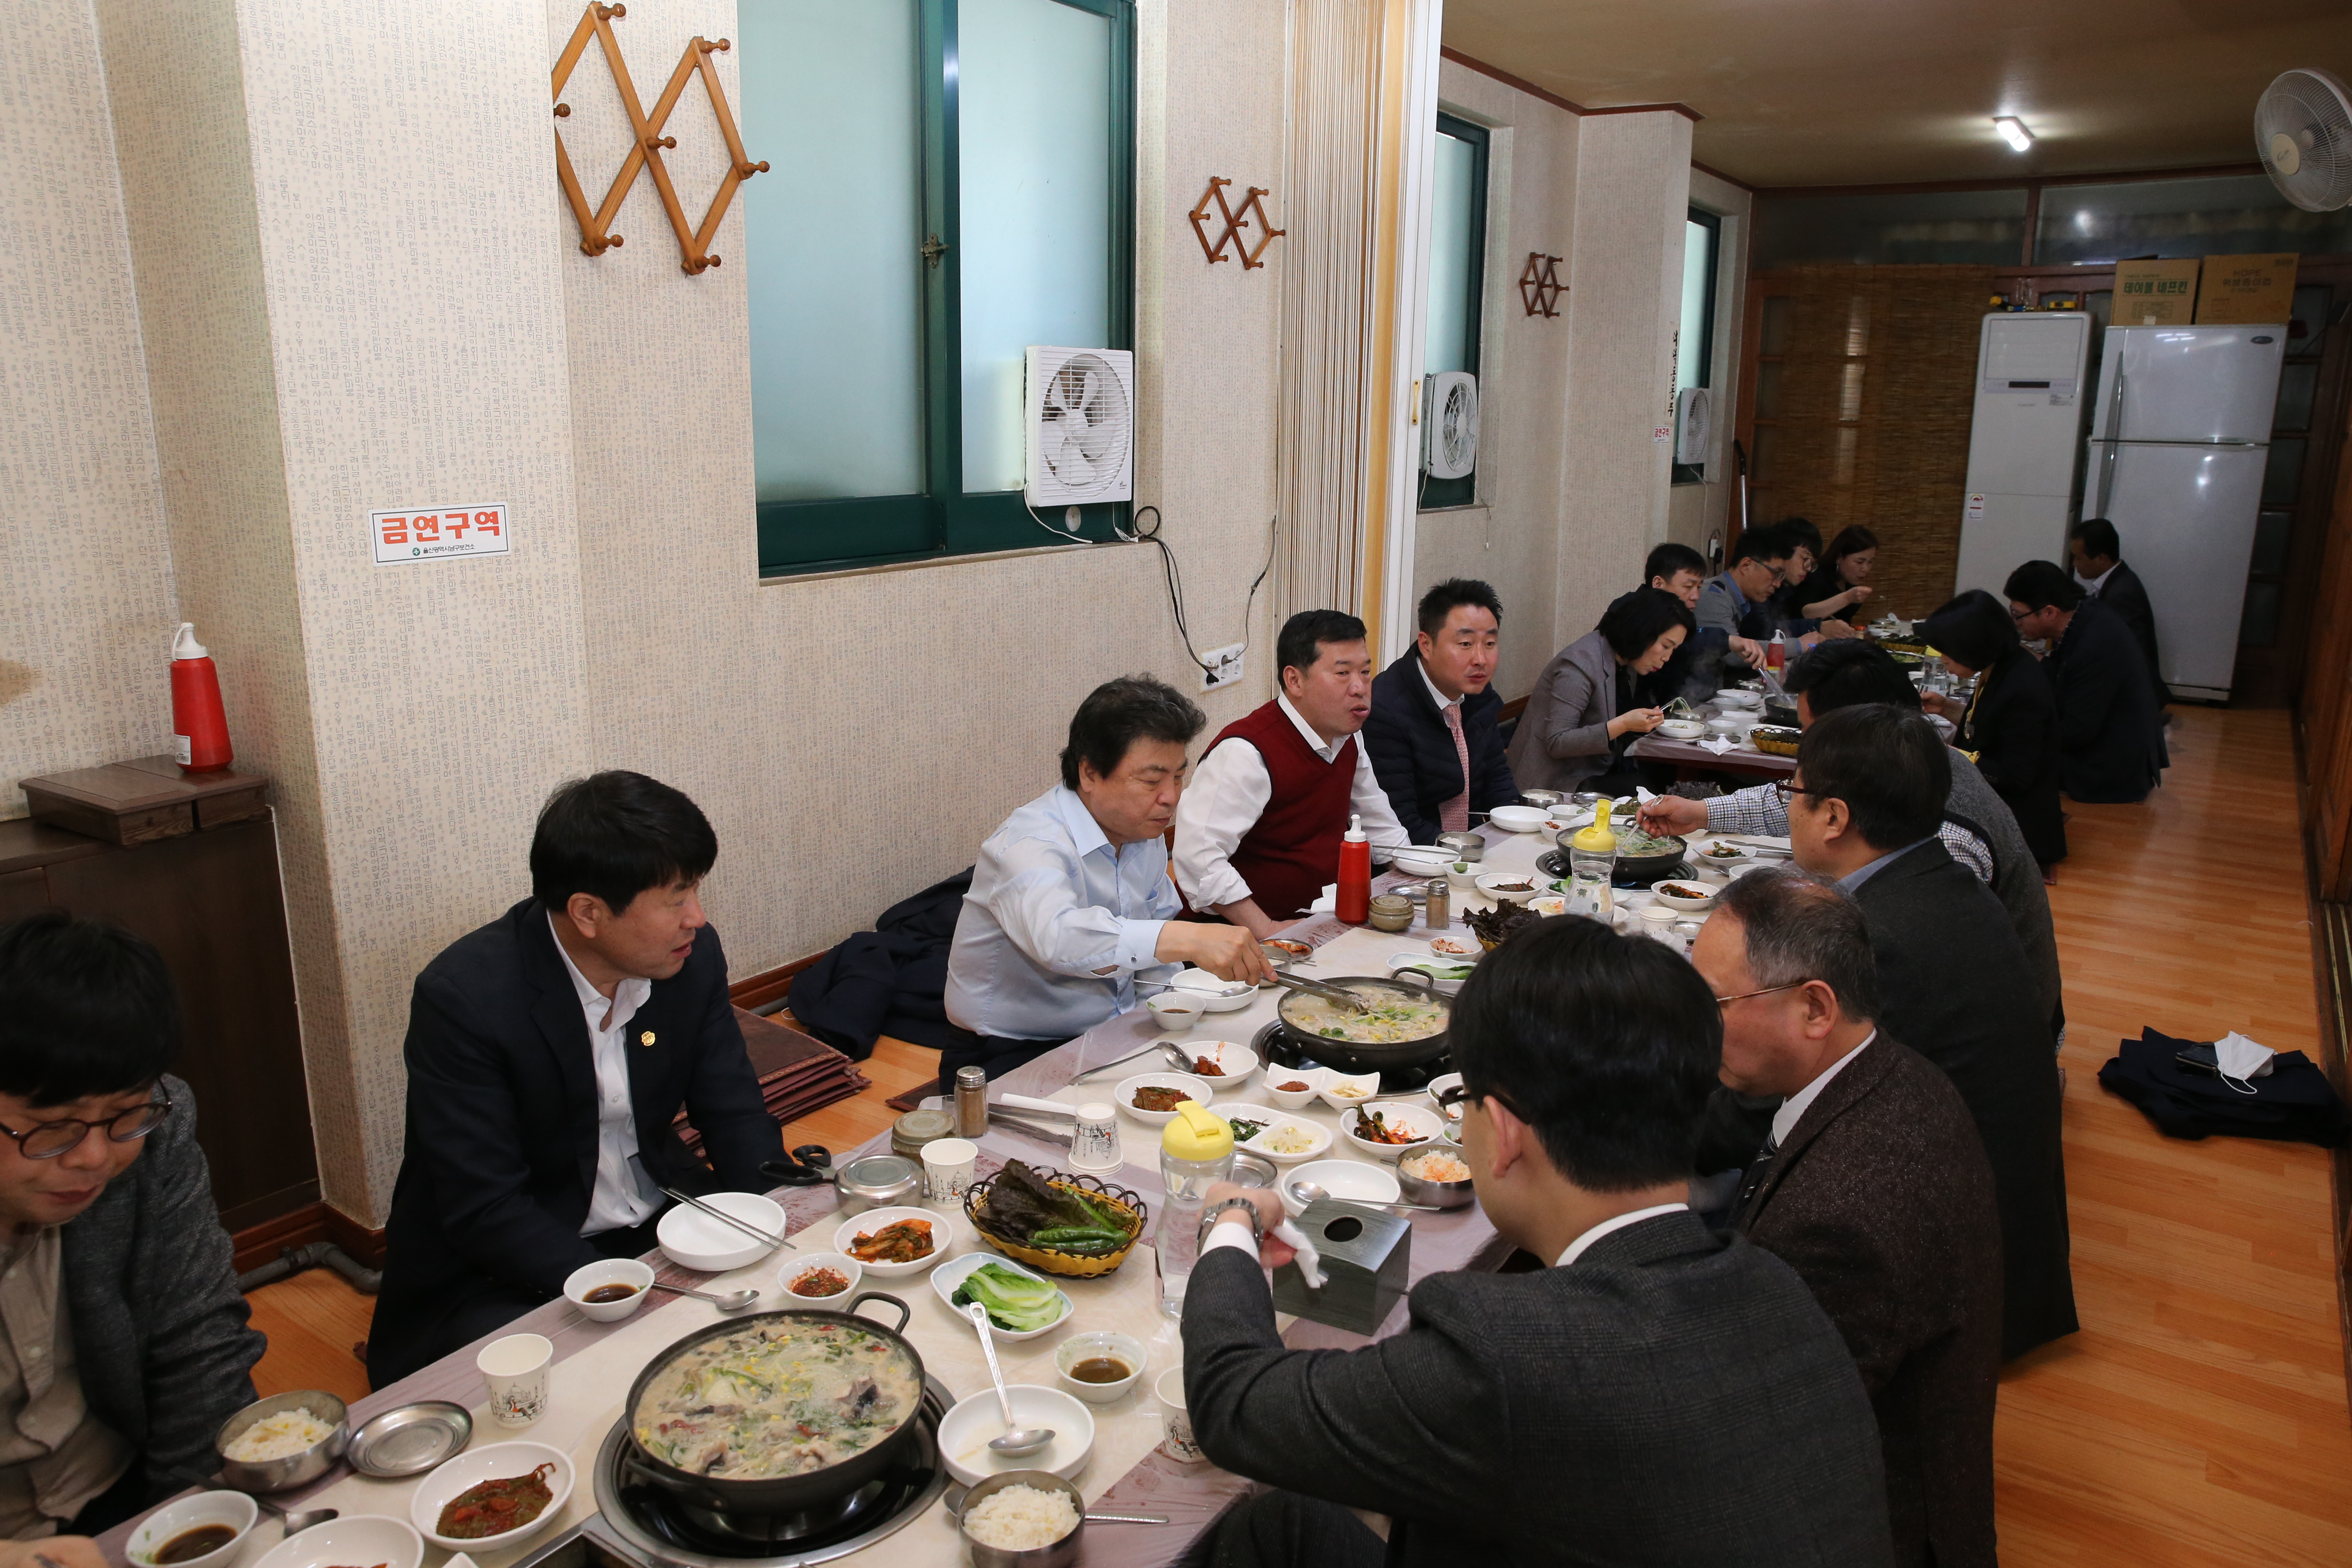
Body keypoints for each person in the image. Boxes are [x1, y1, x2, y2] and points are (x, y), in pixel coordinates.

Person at [1180, 917, 1896, 1568]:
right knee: (1278, 1527)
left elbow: (1235, 1406)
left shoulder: (1510, 1355)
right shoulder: (1781, 1288)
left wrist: (1232, 1218)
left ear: (1507, 1131)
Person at [370, 772, 785, 1387]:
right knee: (595, 1388)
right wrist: (625, 1294)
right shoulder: (465, 998)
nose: (696, 917)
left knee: (776, 1328)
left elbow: (732, 1111)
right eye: (675, 898)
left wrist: (778, 1219)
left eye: (695, 890)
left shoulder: (688, 959)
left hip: (658, 1218)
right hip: (506, 1265)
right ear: (589, 913)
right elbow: (486, 1206)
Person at [1695, 869, 2002, 1568]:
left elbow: (1754, 1436)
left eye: (1715, 1002)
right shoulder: (1899, 1076)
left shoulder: (1840, 1220)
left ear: (1814, 1009)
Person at [1785, 706, 2077, 1358]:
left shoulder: (1883, 936)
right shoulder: (1938, 881)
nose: (1788, 807)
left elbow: (1803, 1087)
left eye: (1793, 792)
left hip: (1959, 1272)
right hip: (2001, 1215)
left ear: (1834, 817)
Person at [1639, 639, 2063, 1035]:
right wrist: (1702, 811)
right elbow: (1799, 799)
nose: (1808, 745)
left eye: (1814, 733)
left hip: (1975, 1040)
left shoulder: (1945, 837)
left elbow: (1902, 979)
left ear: (1861, 726)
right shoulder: (1918, 761)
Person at [0, 914, 265, 1539]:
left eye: (122, 1115)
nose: (94, 1157)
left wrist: (190, 1531)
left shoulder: (156, 1132)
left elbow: (199, 1344)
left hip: (126, 1495)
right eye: (53, 1125)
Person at [943, 677, 1272, 1077]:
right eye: (1152, 781)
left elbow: (1154, 943)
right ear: (1090, 773)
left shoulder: (1141, 830)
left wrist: (1172, 1013)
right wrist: (1189, 938)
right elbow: (1059, 938)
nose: (1171, 797)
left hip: (1116, 1030)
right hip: (1011, 1051)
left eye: (1178, 777)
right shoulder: (1029, 843)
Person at [1173, 611, 1411, 937]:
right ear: (1294, 680)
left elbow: (1380, 824)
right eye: (1343, 673)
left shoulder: (1348, 736)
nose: (1360, 688)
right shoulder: (1246, 752)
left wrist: (1419, 887)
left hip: (1324, 922)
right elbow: (1198, 859)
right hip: (1238, 939)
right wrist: (1267, 929)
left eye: (1366, 672)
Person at [1362, 580, 1517, 843]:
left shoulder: (1477, 692)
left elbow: (1498, 779)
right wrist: (1466, 856)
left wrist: (1516, 833)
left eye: (1490, 643)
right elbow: (1399, 822)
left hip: (1474, 844)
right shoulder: (1385, 710)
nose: (1481, 659)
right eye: (1466, 644)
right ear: (1426, 645)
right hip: (1420, 859)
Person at [1920, 589, 2065, 869]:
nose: (1944, 660)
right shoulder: (2003, 666)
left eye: (1948, 652)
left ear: (1972, 646)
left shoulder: (2022, 688)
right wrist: (1946, 707)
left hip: (2019, 824)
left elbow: (2016, 775)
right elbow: (1996, 725)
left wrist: (1951, 755)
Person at [2006, 560, 2166, 804]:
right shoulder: (2087, 614)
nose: (2016, 623)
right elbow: (2062, 673)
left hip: (2110, 767)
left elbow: (2076, 732)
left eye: (2018, 616)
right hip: (2109, 743)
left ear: (2049, 612)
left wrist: (2017, 732)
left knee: (2009, 762)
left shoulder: (2095, 645)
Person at [1506, 588, 1693, 795]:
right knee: (1641, 788)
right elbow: (1557, 742)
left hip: (1591, 771)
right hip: (1553, 782)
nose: (1667, 657)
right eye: (1666, 646)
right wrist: (1623, 724)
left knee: (1658, 778)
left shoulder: (1625, 660)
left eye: (1673, 650)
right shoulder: (1580, 665)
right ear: (1643, 632)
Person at [1636, 543, 1760, 705]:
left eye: (1699, 587)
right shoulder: (1634, 615)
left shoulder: (1680, 617)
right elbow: (1686, 645)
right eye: (1688, 587)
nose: (1696, 596)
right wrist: (1727, 641)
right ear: (1658, 584)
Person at [2068, 516, 2161, 695]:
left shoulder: (2121, 594)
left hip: (2133, 694)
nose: (2075, 565)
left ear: (2101, 559)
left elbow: (2126, 653)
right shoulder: (2118, 581)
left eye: (2079, 558)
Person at [1695, 527, 1795, 671]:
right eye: (1776, 573)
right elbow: (1733, 654)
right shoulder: (1713, 595)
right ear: (1746, 565)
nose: (1778, 583)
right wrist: (1800, 646)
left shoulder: (1741, 599)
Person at [1798, 524, 1879, 626]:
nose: (1866, 569)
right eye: (1860, 562)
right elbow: (1806, 614)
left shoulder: (1852, 582)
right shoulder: (1817, 576)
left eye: (1870, 562)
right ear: (1839, 558)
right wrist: (1848, 598)